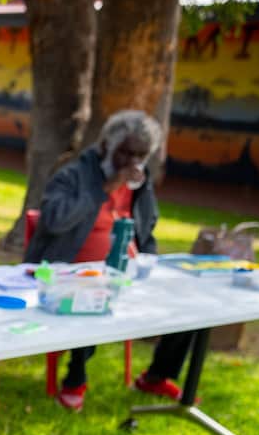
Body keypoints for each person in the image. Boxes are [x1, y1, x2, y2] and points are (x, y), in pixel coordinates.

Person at [26, 109, 194, 411]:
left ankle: (157, 376)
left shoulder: (140, 182)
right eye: (125, 154)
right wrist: (106, 189)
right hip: (73, 272)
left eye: (141, 156)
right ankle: (75, 379)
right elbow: (53, 220)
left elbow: (146, 225)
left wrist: (148, 261)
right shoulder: (73, 174)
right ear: (106, 146)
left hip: (126, 271)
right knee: (92, 295)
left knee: (190, 307)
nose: (133, 163)